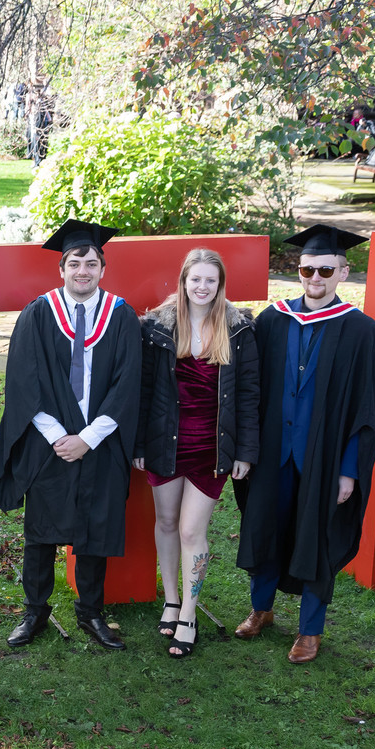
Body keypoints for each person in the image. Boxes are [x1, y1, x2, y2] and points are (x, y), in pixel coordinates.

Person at [234, 225, 375, 664]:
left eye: (325, 269)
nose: (315, 278)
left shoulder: (363, 333)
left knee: (318, 536)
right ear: (297, 271)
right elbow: (249, 390)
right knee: (265, 526)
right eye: (306, 269)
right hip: (273, 453)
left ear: (343, 271)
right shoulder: (272, 321)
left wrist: (349, 469)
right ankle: (261, 608)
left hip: (324, 459)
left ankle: (310, 630)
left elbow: (367, 411)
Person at [0, 219, 141, 651]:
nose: (82, 271)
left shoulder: (121, 315)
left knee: (95, 526)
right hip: (49, 442)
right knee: (40, 531)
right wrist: (60, 437)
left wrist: (89, 437)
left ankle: (91, 612)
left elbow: (128, 384)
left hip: (101, 441)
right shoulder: (39, 313)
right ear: (62, 268)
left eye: (91, 264)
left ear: (102, 269)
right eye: (75, 263)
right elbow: (22, 382)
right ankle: (35, 610)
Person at [133, 249, 260, 658]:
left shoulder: (239, 329)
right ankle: (171, 598)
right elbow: (144, 391)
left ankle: (188, 613)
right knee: (167, 522)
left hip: (212, 445)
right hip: (165, 441)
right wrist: (138, 444)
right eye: (195, 279)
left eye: (211, 280)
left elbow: (248, 395)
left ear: (221, 285)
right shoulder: (157, 326)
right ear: (183, 281)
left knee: (192, 530)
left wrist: (245, 449)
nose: (202, 287)